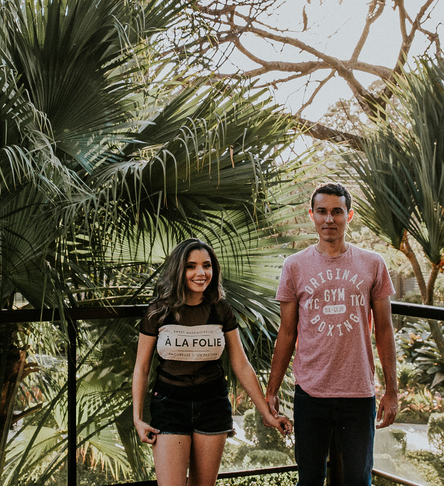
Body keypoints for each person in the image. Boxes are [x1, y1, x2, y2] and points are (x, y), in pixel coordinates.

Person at [265, 182, 398, 486]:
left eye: (337, 212)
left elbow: (385, 331)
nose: (329, 219)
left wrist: (392, 390)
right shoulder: (295, 266)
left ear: (349, 216)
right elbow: (286, 334)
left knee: (358, 480)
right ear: (311, 214)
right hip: (311, 392)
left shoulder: (373, 264)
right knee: (309, 479)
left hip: (359, 393)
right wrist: (272, 391)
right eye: (322, 212)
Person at [133, 238, 291, 486]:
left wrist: (267, 413)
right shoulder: (158, 312)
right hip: (169, 404)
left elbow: (240, 364)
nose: (200, 273)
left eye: (206, 265)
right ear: (179, 270)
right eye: (191, 266)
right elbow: (141, 368)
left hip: (212, 405)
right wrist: (137, 418)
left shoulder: (221, 310)